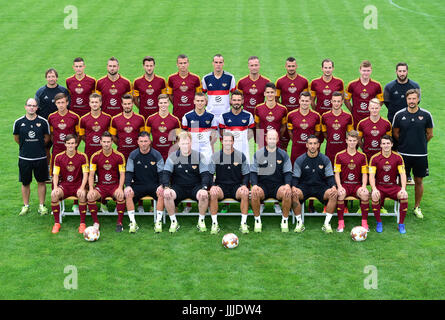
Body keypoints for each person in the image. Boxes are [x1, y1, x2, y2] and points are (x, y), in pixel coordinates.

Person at [392, 89, 433, 219]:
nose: (412, 101)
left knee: (419, 180)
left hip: (420, 155)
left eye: (414, 99)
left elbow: (429, 134)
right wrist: (406, 144)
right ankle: (399, 206)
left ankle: (417, 207)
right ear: (406, 100)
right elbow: (396, 134)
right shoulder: (399, 115)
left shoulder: (426, 115)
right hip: (403, 155)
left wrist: (419, 144)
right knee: (399, 181)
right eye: (409, 99)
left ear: (418, 99)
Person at [161, 131, 211, 233]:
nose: (185, 146)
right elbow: (166, 173)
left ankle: (201, 221)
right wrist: (166, 187)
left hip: (195, 187)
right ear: (178, 144)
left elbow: (205, 174)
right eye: (183, 143)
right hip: (178, 187)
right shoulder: (172, 156)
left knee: (204, 195)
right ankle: (173, 222)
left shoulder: (199, 156)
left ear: (191, 143)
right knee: (167, 195)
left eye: (187, 143)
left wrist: (204, 188)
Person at [291, 135, 338, 233]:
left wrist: (333, 186)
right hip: (304, 187)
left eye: (315, 143)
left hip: (320, 187)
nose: (312, 146)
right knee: (294, 194)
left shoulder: (325, 159)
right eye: (310, 143)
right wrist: (293, 187)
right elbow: (295, 177)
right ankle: (299, 223)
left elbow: (330, 176)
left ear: (318, 145)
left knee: (334, 194)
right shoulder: (300, 160)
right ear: (307, 145)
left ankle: (326, 224)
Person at [250, 130, 293, 233]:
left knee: (287, 192)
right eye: (270, 138)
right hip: (262, 186)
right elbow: (253, 172)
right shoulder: (258, 154)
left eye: (274, 138)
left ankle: (284, 220)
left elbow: (288, 172)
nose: (272, 141)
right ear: (266, 139)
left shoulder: (283, 154)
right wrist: (254, 185)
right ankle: (257, 220)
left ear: (277, 140)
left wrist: (287, 185)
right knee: (255, 192)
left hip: (278, 187)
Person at [13, 98, 50, 216]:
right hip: (25, 158)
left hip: (40, 158)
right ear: (25, 107)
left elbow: (47, 138)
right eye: (29, 105)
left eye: (34, 106)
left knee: (41, 182)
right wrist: (27, 146)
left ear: (37, 108)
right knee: (25, 183)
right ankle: (26, 206)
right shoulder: (18, 122)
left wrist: (37, 146)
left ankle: (41, 206)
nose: (31, 108)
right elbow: (17, 138)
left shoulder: (43, 122)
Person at [208, 132, 250, 234]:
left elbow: (246, 174)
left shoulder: (241, 156)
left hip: (236, 186)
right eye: (225, 141)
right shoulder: (216, 156)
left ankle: (243, 224)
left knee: (245, 193)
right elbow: (209, 174)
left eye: (229, 141)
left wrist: (244, 185)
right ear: (222, 141)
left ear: (233, 142)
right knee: (213, 193)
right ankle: (214, 224)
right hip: (221, 187)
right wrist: (213, 186)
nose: (227, 143)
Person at [124, 131, 165, 233]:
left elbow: (162, 173)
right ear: (137, 142)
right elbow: (129, 172)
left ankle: (158, 222)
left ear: (150, 141)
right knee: (128, 193)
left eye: (146, 141)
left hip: (154, 185)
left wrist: (162, 185)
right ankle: (133, 222)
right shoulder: (133, 155)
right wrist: (128, 185)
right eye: (141, 141)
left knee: (162, 193)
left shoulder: (157, 154)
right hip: (138, 185)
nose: (143, 144)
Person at [87, 131, 126, 232]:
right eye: (104, 142)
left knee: (121, 196)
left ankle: (119, 223)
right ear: (100, 142)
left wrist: (120, 188)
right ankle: (96, 222)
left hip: (114, 186)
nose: (106, 144)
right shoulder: (95, 156)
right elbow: (91, 175)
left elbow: (122, 174)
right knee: (90, 196)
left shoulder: (119, 156)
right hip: (101, 186)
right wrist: (91, 189)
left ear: (112, 142)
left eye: (108, 142)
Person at [369, 135, 408, 234]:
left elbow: (403, 174)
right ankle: (379, 222)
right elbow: (371, 176)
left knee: (404, 196)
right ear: (380, 145)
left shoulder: (398, 157)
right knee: (374, 196)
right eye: (383, 143)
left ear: (391, 144)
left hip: (393, 187)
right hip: (380, 187)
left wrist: (403, 188)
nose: (386, 145)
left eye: (388, 143)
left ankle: (401, 224)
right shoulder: (375, 158)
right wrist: (374, 189)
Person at [50, 134, 89, 234]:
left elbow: (85, 175)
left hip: (77, 185)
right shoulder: (59, 157)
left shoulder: (82, 156)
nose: (70, 146)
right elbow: (55, 175)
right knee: (54, 195)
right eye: (68, 143)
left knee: (82, 194)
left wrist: (82, 187)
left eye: (72, 143)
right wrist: (55, 188)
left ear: (76, 144)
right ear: (65, 144)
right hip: (65, 186)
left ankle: (82, 223)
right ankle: (57, 223)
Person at [334, 130, 370, 232]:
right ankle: (341, 223)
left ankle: (364, 223)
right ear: (346, 141)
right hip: (345, 185)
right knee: (340, 194)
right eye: (350, 140)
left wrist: (363, 186)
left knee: (365, 194)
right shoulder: (339, 155)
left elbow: (364, 173)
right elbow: (336, 174)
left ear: (357, 141)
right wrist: (339, 187)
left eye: (354, 141)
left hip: (357, 185)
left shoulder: (362, 156)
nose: (352, 143)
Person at [275, 57, 309, 150]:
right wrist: (282, 111)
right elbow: (276, 98)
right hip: (285, 118)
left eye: (293, 66)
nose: (291, 68)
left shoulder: (304, 81)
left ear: (296, 66)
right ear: (286, 66)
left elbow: (306, 98)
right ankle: (284, 163)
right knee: (282, 144)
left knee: (301, 143)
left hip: (300, 118)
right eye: (289, 66)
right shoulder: (280, 81)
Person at [47, 93, 80, 174]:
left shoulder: (75, 117)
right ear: (55, 104)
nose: (61, 105)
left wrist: (74, 146)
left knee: (71, 172)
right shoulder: (51, 117)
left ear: (67, 103)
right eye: (58, 103)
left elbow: (79, 135)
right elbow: (51, 133)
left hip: (71, 150)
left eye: (63, 102)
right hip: (57, 150)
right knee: (55, 174)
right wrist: (56, 143)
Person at [218, 90, 255, 162]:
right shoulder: (224, 116)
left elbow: (251, 131)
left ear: (242, 101)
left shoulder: (248, 115)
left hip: (243, 149)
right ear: (231, 101)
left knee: (244, 170)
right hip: (229, 148)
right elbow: (221, 131)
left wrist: (243, 140)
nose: (236, 102)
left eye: (239, 100)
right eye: (234, 100)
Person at [344, 60, 383, 127]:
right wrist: (353, 110)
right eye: (364, 70)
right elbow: (346, 100)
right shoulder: (352, 85)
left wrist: (374, 109)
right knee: (356, 137)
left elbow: (381, 101)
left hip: (371, 118)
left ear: (371, 71)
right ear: (360, 70)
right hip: (356, 118)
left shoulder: (377, 85)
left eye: (368, 70)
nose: (366, 73)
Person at [287, 91, 322, 165]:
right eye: (302, 100)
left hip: (310, 150)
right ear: (299, 101)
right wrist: (295, 140)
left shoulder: (316, 116)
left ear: (310, 101)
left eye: (307, 101)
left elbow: (317, 132)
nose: (304, 103)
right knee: (295, 172)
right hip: (296, 149)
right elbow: (289, 130)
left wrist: (311, 142)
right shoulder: (291, 115)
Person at [181, 92, 218, 161]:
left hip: (206, 149)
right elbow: (184, 135)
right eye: (198, 101)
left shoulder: (211, 117)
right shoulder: (187, 116)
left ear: (205, 102)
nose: (200, 103)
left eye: (202, 101)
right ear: (194, 101)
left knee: (206, 170)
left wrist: (212, 150)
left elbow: (213, 136)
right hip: (192, 149)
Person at [109, 94, 146, 161]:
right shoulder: (115, 119)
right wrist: (120, 144)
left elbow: (143, 136)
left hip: (137, 153)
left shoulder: (140, 118)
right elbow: (112, 136)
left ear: (132, 104)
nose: (127, 106)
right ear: (122, 104)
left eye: (129, 104)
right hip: (121, 153)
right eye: (125, 104)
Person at [321, 91, 354, 165]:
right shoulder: (325, 116)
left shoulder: (348, 116)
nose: (336, 103)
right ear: (331, 101)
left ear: (342, 101)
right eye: (334, 101)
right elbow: (324, 132)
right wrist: (330, 139)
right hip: (330, 150)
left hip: (343, 150)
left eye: (338, 101)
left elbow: (350, 134)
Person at [145, 94, 182, 161]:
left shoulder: (175, 120)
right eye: (161, 103)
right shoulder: (150, 119)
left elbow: (179, 138)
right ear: (158, 104)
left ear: (168, 103)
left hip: (170, 154)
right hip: (155, 154)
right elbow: (146, 137)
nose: (163, 105)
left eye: (165, 102)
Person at [167, 54, 202, 123]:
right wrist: (176, 103)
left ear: (188, 64)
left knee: (194, 132)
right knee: (178, 133)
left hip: (194, 114)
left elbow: (199, 95)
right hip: (177, 114)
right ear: (177, 64)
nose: (183, 65)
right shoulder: (171, 78)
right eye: (181, 63)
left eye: (185, 63)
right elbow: (169, 94)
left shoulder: (196, 78)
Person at [254, 82, 288, 150]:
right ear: (264, 93)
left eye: (272, 92)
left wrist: (277, 137)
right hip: (262, 142)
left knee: (275, 159)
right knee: (262, 160)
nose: (270, 94)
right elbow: (257, 125)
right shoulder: (258, 108)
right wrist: (260, 142)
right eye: (268, 92)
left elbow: (284, 126)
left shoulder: (283, 109)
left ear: (275, 93)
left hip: (276, 142)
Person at [357, 98, 392, 162]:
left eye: (376, 108)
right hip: (367, 156)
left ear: (380, 108)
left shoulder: (387, 124)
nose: (374, 110)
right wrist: (364, 149)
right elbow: (359, 139)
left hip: (382, 156)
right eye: (372, 108)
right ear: (369, 108)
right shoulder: (362, 123)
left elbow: (389, 140)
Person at [78, 93, 112, 160]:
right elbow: (82, 135)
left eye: (96, 102)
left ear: (100, 103)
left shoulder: (108, 118)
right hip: (89, 152)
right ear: (89, 103)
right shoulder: (83, 119)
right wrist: (89, 141)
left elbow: (111, 135)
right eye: (92, 102)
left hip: (104, 153)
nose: (94, 104)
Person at [202, 54, 236, 119]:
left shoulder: (230, 77)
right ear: (213, 63)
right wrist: (207, 102)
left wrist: (229, 103)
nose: (218, 64)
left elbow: (234, 94)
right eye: (216, 62)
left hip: (225, 114)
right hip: (210, 114)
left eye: (220, 62)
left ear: (223, 63)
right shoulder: (206, 78)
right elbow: (202, 94)